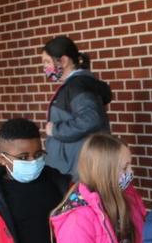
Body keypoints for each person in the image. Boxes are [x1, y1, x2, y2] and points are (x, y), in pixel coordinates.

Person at [42, 36, 112, 178]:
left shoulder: (76, 86)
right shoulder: (77, 84)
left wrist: (55, 130)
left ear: (64, 61)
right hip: (74, 166)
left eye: (47, 62)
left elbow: (91, 119)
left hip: (74, 170)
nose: (45, 68)